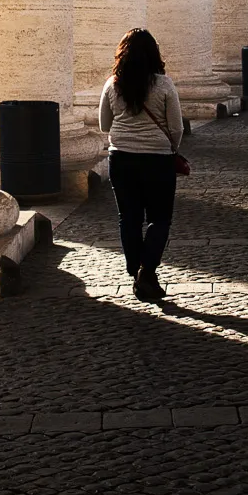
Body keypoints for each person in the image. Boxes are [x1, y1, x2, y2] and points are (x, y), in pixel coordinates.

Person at [100, 28, 184, 301]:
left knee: (129, 218)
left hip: (121, 158)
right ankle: (146, 272)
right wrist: (172, 148)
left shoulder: (113, 84)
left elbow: (104, 125)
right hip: (157, 159)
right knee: (160, 219)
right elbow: (177, 127)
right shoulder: (164, 84)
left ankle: (135, 269)